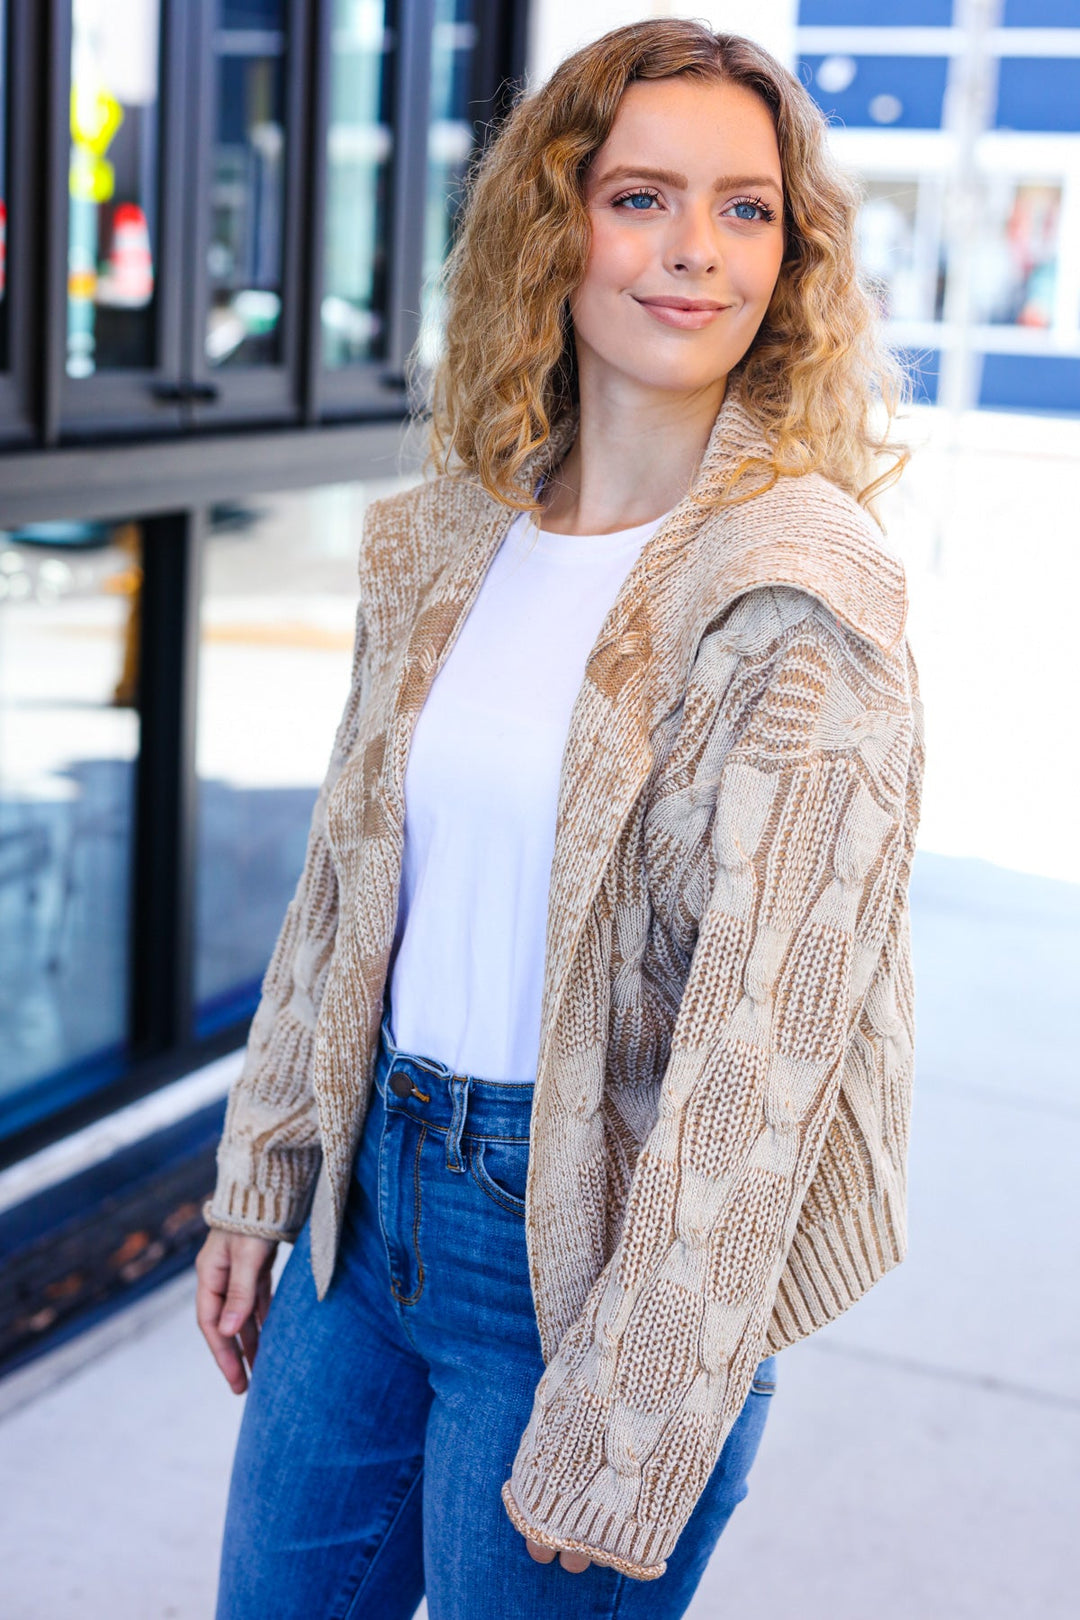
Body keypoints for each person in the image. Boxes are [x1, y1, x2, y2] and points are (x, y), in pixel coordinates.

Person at [196, 19, 925, 1619]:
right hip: (363, 1212)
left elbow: (764, 1055)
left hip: (595, 1260)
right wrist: (267, 1168)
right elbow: (340, 889)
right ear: (558, 221)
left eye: (747, 209)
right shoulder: (451, 540)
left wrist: (642, 1412)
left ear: (791, 255)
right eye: (643, 196)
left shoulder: (799, 594)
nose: (695, 253)